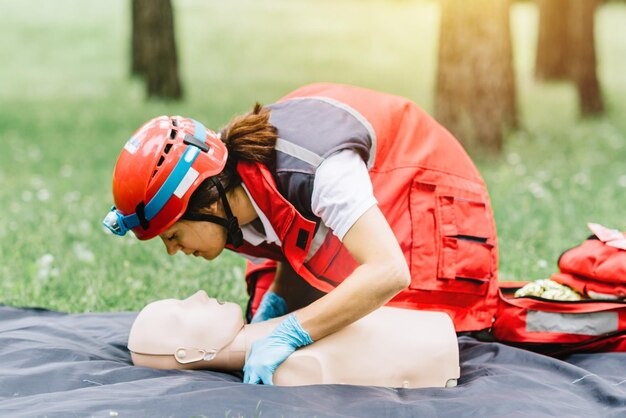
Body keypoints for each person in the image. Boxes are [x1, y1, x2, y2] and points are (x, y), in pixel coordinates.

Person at [103, 83, 498, 385]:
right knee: (308, 316)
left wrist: (293, 330)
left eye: (173, 236)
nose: (174, 252)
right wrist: (278, 300)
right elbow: (296, 231)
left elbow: (389, 271)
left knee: (397, 337)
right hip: (376, 208)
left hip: (431, 207)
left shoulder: (321, 171)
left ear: (205, 201)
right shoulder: (235, 181)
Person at [127, 290, 460, 388]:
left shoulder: (277, 344)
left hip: (436, 336)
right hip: (438, 355)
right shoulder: (288, 368)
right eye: (183, 310)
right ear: (187, 354)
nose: (198, 294)